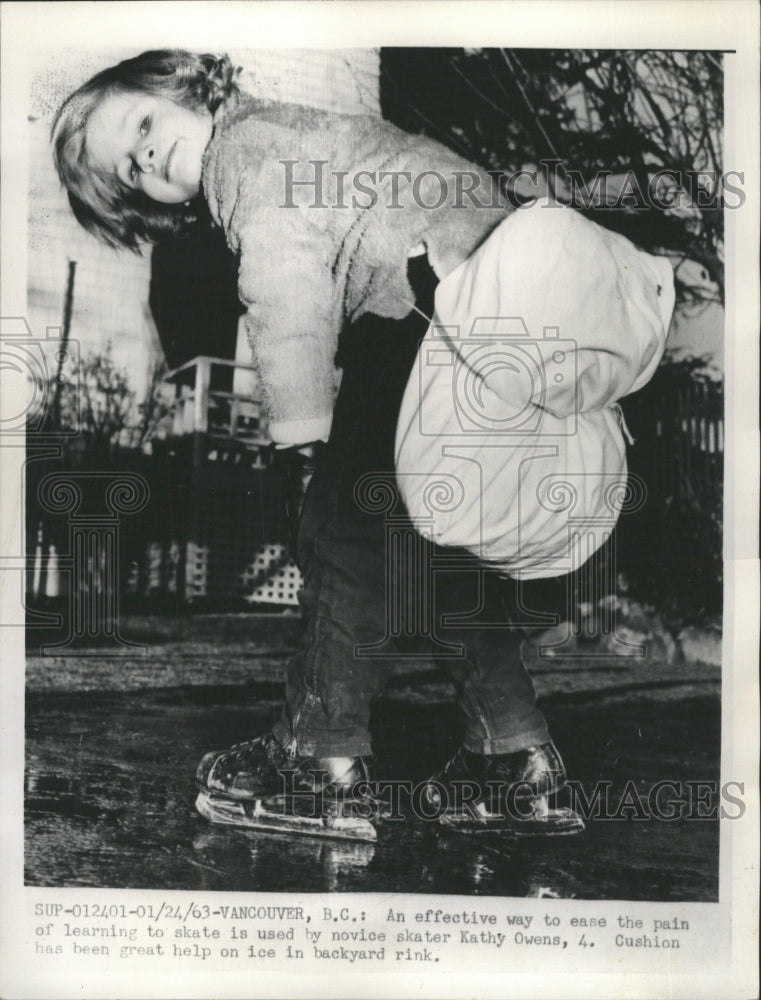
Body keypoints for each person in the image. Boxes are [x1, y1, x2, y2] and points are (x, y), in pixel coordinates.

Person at [52, 49, 586, 840]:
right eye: (130, 171)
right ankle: (514, 761)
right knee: (443, 555)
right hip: (493, 310)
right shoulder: (301, 133)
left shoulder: (246, 152)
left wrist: (302, 432)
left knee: (343, 537)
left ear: (181, 90)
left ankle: (317, 760)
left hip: (418, 318)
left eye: (141, 126)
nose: (147, 157)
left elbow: (286, 292)